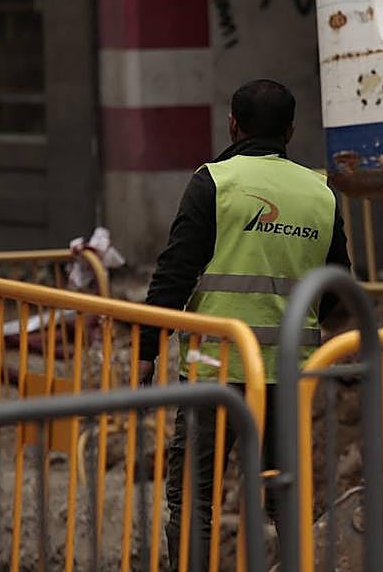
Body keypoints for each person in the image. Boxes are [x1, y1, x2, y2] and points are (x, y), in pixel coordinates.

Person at [137, 79, 350, 570]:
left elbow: (173, 273)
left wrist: (147, 350)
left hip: (216, 370)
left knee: (195, 497)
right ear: (290, 131)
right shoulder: (320, 193)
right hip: (290, 374)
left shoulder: (215, 183)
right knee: (287, 496)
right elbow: (339, 288)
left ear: (233, 125)